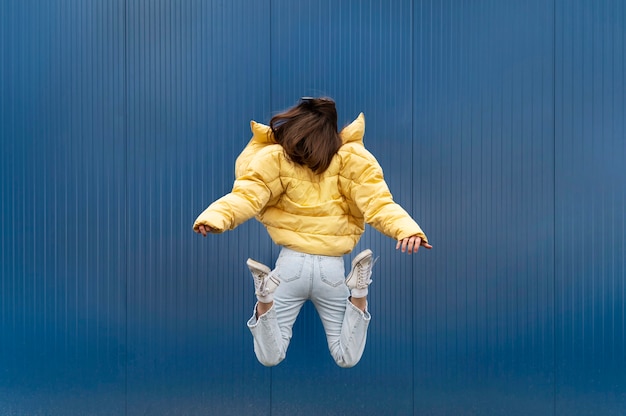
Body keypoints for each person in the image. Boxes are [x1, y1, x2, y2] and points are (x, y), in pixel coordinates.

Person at [193, 97, 431, 368]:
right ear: (332, 128)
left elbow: (247, 196)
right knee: (346, 357)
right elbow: (378, 203)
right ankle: (360, 289)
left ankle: (264, 295)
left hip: (289, 268)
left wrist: (215, 217)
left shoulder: (277, 158)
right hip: (331, 270)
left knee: (270, 356)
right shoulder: (351, 159)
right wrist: (407, 229)